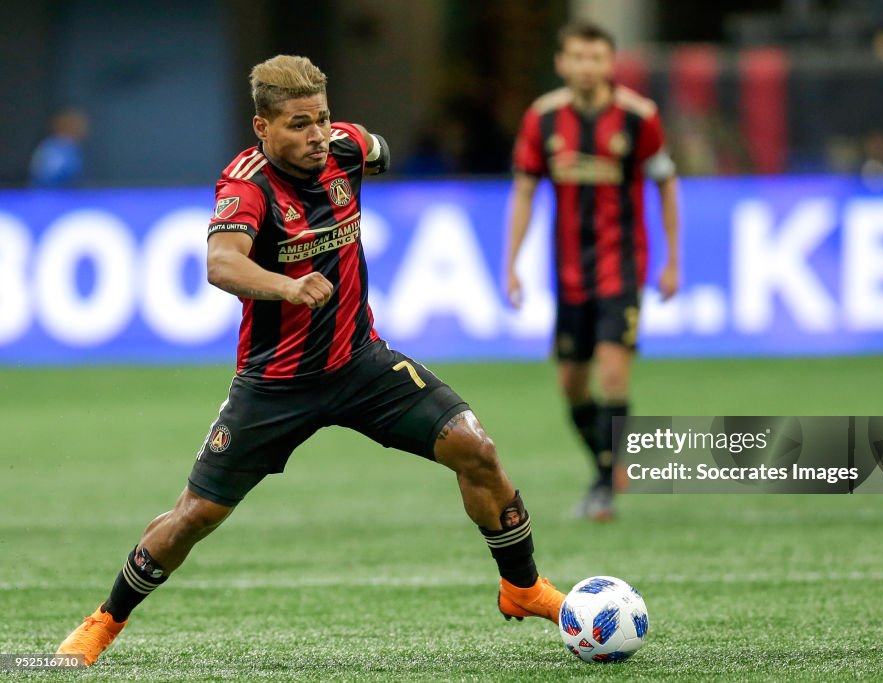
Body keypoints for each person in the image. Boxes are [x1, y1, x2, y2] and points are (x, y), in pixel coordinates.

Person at [56, 55, 564, 667]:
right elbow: (221, 264)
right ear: (261, 128)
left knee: (475, 448)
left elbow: (377, 151)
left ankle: (523, 587)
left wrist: (365, 150)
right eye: (299, 124)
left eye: (321, 119)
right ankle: (103, 622)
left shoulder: (344, 149)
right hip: (275, 385)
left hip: (360, 363)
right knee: (195, 517)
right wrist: (286, 285)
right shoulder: (246, 186)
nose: (317, 135)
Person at [504, 21, 681, 521]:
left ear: (610, 62)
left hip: (622, 267)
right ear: (562, 63)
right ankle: (609, 460)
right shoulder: (542, 119)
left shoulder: (638, 118)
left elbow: (666, 184)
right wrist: (511, 262)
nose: (587, 66)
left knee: (611, 372)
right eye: (577, 57)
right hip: (568, 272)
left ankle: (603, 484)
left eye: (597, 57)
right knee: (572, 385)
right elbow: (524, 190)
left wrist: (672, 259)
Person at [29, 108, 89, 187]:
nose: (83, 130)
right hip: (49, 197)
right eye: (78, 125)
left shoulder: (71, 148)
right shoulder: (53, 148)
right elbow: (47, 178)